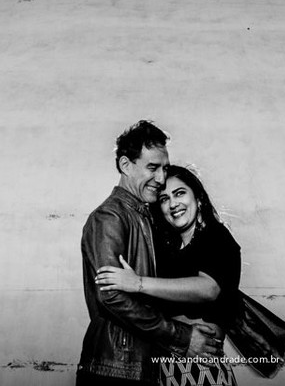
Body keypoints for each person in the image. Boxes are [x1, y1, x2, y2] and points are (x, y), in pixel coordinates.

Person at [78, 121, 222, 386]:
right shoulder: (109, 217)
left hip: (141, 367)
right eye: (152, 168)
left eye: (164, 168)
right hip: (116, 369)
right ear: (125, 165)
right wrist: (182, 336)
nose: (160, 178)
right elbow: (112, 296)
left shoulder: (146, 217)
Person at [96, 164, 242, 386]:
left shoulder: (217, 237)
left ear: (199, 198)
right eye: (164, 198)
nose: (173, 204)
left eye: (180, 193)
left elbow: (208, 288)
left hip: (201, 368)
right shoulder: (165, 251)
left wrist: (138, 283)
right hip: (164, 367)